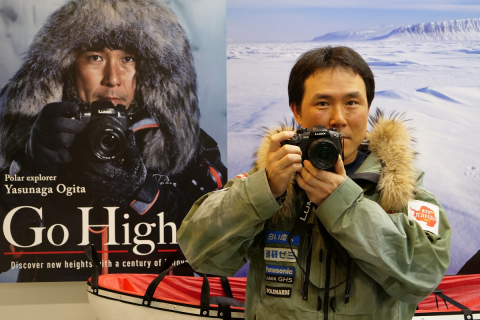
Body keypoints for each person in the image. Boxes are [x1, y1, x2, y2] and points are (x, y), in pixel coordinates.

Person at [178, 46, 450, 319]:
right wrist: (265, 190)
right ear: (297, 111)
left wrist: (344, 206)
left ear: (368, 107)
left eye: (352, 103)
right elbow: (200, 254)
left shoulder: (400, 186)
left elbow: (424, 275)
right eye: (323, 103)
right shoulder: (273, 179)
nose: (339, 119)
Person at [0, 0, 226, 281]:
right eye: (95, 57)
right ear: (68, 64)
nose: (112, 79)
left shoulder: (189, 148)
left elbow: (221, 251)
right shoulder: (39, 141)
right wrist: (28, 170)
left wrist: (144, 192)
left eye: (128, 58)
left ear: (152, 70)